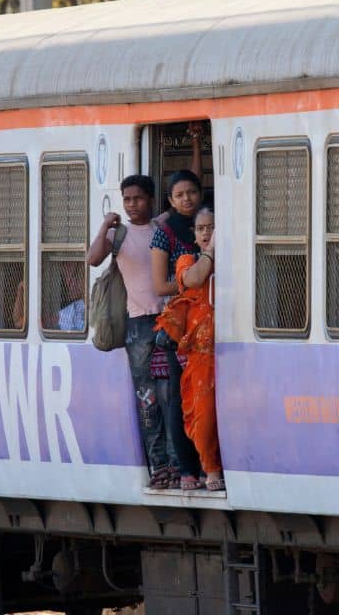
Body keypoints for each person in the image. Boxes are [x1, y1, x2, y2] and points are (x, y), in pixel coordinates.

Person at [89, 175, 173, 489]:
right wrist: (105, 227)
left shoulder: (161, 227)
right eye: (127, 199)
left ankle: (176, 464)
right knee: (148, 398)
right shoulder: (119, 234)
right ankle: (159, 465)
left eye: (137, 198)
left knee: (171, 397)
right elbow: (93, 258)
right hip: (139, 325)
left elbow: (182, 195)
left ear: (151, 200)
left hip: (168, 319)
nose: (131, 205)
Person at [156, 207, 223, 491]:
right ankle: (211, 469)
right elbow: (195, 280)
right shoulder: (186, 260)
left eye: (212, 227)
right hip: (200, 354)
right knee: (203, 412)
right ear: (194, 236)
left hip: (232, 350)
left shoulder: (233, 262)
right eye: (201, 229)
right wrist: (212, 252)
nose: (206, 233)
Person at [148, 169, 205, 489]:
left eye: (192, 192)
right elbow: (159, 285)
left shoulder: (210, 225)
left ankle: (210, 463)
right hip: (181, 326)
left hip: (210, 320)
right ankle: (186, 468)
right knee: (179, 398)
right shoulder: (165, 232)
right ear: (170, 200)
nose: (187, 199)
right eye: (179, 195)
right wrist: (192, 283)